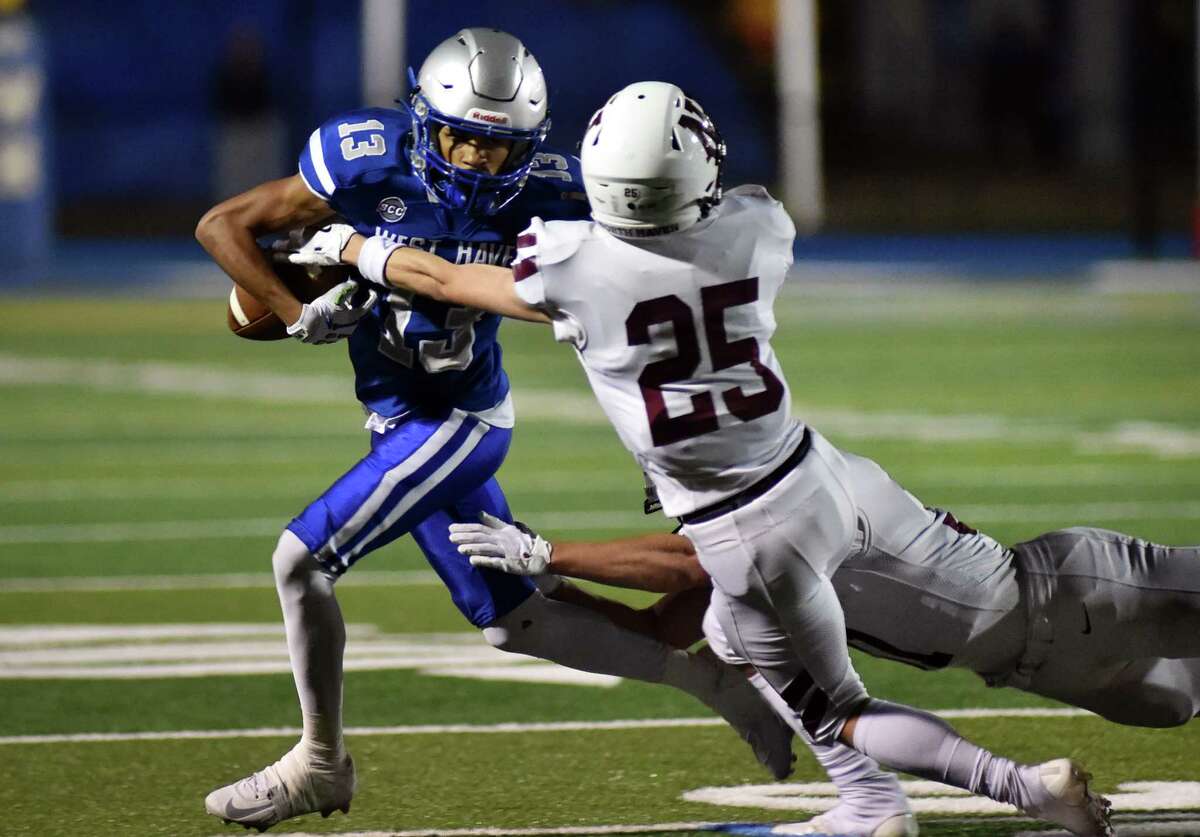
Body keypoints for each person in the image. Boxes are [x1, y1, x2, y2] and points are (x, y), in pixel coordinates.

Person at [291, 82, 1115, 837]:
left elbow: (448, 278)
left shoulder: (573, 266)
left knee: (836, 707)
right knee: (725, 636)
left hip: (743, 526)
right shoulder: (760, 228)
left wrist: (359, 251)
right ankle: (871, 785)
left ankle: (1010, 789)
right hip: (818, 472)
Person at [195, 35, 792, 832]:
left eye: (497, 143)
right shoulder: (363, 159)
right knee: (515, 622)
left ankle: (321, 763)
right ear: (422, 122)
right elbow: (221, 225)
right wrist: (299, 308)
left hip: (464, 421)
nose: (476, 158)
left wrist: (657, 430)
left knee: (299, 560)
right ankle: (713, 681)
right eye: (460, 136)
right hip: (398, 418)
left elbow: (649, 294)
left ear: (530, 144)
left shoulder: (560, 194)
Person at [450, 460, 1200, 835]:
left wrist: (552, 552)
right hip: (1030, 661)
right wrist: (541, 597)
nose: (690, 520)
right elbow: (661, 624)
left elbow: (685, 562)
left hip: (1072, 589)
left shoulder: (798, 497)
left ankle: (1017, 790)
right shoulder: (751, 572)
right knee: (1174, 703)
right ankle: (1027, 790)